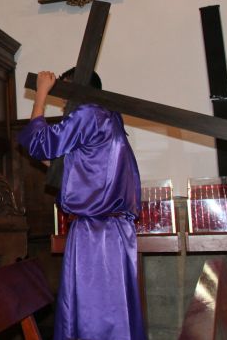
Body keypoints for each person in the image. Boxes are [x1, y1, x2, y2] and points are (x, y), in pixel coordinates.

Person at [18, 69, 145, 340]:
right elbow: (63, 168)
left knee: (95, 315)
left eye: (65, 95)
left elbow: (41, 145)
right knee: (115, 309)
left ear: (81, 92)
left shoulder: (88, 114)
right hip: (115, 233)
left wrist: (40, 94)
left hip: (95, 235)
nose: (63, 103)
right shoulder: (110, 119)